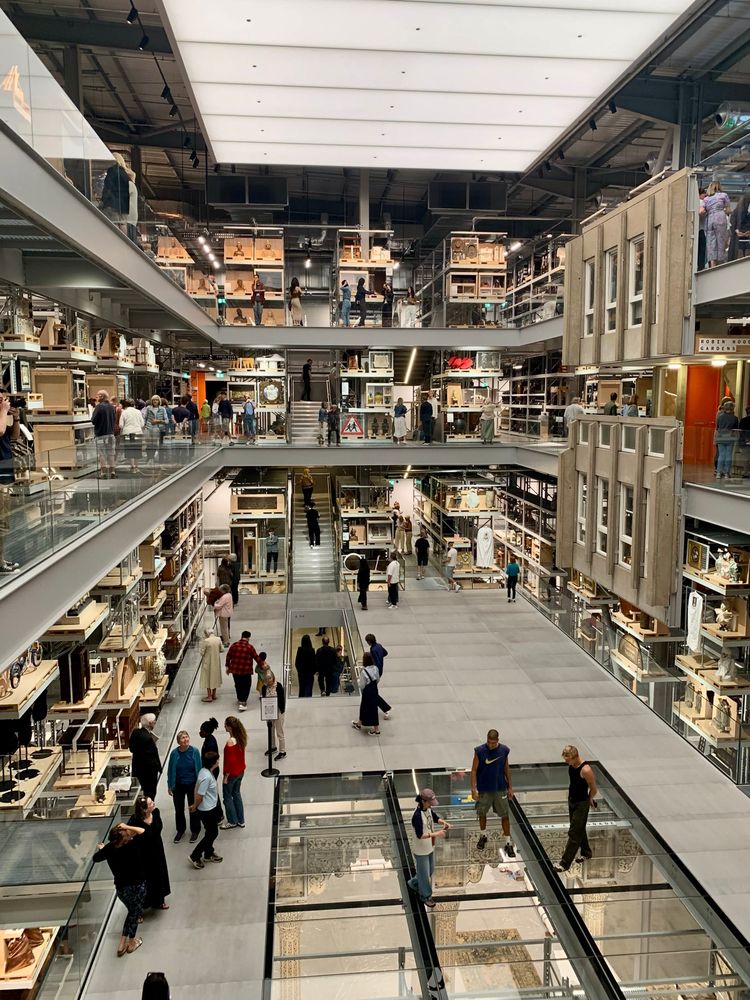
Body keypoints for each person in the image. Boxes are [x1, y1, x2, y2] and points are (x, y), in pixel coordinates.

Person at [92, 823, 147, 956]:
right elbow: (143, 831)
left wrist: (103, 849)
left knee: (131, 912)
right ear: (123, 839)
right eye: (126, 834)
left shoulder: (110, 848)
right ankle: (131, 943)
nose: (129, 834)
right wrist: (128, 826)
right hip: (137, 886)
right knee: (134, 914)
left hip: (122, 889)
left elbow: (96, 858)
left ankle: (122, 942)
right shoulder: (132, 845)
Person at [471, 729, 516, 858]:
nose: (491, 745)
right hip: (484, 789)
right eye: (489, 742)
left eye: (493, 743)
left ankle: (508, 843)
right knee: (482, 813)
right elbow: (474, 770)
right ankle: (483, 835)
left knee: (505, 815)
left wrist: (510, 788)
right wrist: (473, 789)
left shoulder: (504, 750)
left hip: (500, 788)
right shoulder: (479, 751)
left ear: (498, 740)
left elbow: (506, 768)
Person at [555, 745, 597, 872]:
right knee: (579, 827)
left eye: (568, 760)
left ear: (574, 757)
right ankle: (586, 852)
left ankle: (564, 863)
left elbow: (594, 788)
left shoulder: (586, 770)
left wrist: (590, 799)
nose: (566, 762)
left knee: (574, 832)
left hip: (581, 803)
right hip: (572, 800)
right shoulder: (571, 766)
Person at [407, 788, 450, 907]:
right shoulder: (416, 815)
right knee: (425, 875)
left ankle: (413, 883)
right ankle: (426, 896)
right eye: (430, 802)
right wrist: (437, 834)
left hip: (429, 847)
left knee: (429, 870)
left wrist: (444, 823)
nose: (431, 805)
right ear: (423, 801)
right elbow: (420, 835)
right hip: (421, 850)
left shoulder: (428, 810)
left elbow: (435, 818)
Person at [129, 794, 170, 911]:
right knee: (144, 879)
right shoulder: (135, 820)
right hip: (143, 854)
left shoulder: (156, 813)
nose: (154, 804)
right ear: (144, 809)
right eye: (151, 803)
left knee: (159, 874)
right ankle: (142, 906)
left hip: (156, 851)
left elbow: (156, 830)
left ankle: (159, 900)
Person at [188, 751, 223, 869]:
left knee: (210, 832)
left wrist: (194, 805)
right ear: (213, 762)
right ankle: (195, 855)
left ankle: (208, 853)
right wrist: (195, 806)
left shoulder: (204, 772)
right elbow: (199, 795)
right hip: (207, 810)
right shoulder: (206, 777)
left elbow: (196, 788)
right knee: (213, 833)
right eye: (217, 760)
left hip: (209, 807)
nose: (218, 761)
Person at [166, 730, 202, 843]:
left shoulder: (195, 751)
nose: (185, 739)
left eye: (186, 737)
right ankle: (180, 830)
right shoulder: (174, 754)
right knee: (179, 809)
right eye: (182, 738)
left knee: (193, 808)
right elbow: (170, 770)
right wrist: (170, 785)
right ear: (178, 741)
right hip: (178, 785)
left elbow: (199, 769)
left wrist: (200, 785)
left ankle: (195, 830)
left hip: (192, 784)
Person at [0, 394, 19, 573]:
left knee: (4, 522)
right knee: (1, 524)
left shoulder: (3, 417)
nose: (4, 403)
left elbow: (14, 436)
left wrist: (16, 417)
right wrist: (3, 411)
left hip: (6, 473)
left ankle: (1, 559)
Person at [220, 716, 247, 829]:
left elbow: (230, 761)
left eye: (225, 725)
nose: (224, 726)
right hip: (240, 771)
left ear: (230, 728)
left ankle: (232, 820)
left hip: (231, 774)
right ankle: (241, 820)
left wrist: (226, 775)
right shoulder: (240, 738)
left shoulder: (230, 742)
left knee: (227, 797)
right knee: (236, 794)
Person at [225, 630, 263, 711]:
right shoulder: (250, 647)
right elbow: (257, 658)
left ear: (241, 636)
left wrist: (227, 667)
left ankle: (240, 698)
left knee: (238, 685)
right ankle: (243, 701)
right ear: (249, 638)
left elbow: (228, 656)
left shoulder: (234, 645)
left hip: (235, 670)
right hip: (246, 671)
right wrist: (263, 665)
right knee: (246, 685)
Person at [128, 713, 161, 800]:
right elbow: (152, 756)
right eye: (154, 721)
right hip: (148, 773)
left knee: (144, 792)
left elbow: (131, 748)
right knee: (150, 793)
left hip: (138, 770)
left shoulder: (135, 733)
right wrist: (157, 767)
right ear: (150, 723)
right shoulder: (148, 738)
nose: (155, 723)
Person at [704, 180, 732, 267]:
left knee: (710, 242)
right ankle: (720, 263)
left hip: (709, 219)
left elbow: (703, 210)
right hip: (720, 218)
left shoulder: (706, 199)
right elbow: (728, 210)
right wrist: (725, 211)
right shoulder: (724, 195)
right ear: (719, 187)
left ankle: (712, 263)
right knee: (721, 240)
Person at [352, 652, 381, 735]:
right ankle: (374, 728)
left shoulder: (364, 671)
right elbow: (378, 679)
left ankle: (360, 724)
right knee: (373, 708)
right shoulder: (376, 668)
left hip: (367, 692)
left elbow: (362, 685)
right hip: (374, 690)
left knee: (364, 708)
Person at [365, 633, 392, 719]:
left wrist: (374, 673)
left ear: (369, 641)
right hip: (379, 672)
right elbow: (385, 653)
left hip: (376, 673)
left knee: (371, 692)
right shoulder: (379, 646)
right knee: (371, 692)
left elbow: (377, 663)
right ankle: (385, 708)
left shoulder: (373, 650)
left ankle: (386, 708)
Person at [261, 670, 287, 761]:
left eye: (270, 678)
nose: (269, 681)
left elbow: (282, 701)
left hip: (279, 712)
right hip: (269, 712)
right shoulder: (264, 688)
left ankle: (282, 752)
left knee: (280, 732)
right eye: (267, 679)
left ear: (273, 677)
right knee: (270, 731)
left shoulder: (278, 686)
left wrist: (281, 712)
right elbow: (263, 699)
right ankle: (273, 747)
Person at [91, 389, 117, 478]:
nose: (96, 397)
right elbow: (114, 420)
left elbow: (93, 421)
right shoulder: (112, 407)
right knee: (111, 454)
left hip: (100, 435)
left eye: (97, 395)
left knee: (102, 454)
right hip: (110, 434)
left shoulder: (99, 407)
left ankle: (103, 473)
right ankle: (113, 472)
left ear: (101, 397)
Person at [715, 400, 739, 479]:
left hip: (720, 437)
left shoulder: (720, 417)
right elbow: (736, 429)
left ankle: (718, 472)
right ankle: (726, 473)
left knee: (721, 455)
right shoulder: (735, 418)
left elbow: (717, 427)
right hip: (730, 437)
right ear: (732, 408)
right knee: (728, 455)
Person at [119, 399, 144, 472]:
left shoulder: (124, 412)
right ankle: (137, 466)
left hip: (127, 433)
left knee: (129, 450)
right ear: (134, 404)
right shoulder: (138, 412)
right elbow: (142, 424)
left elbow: (121, 425)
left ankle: (132, 466)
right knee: (137, 449)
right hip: (138, 432)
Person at [198, 627, 223, 702]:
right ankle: (214, 694)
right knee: (215, 677)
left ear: (207, 634)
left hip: (208, 662)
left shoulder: (206, 641)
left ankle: (209, 696)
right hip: (216, 661)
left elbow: (202, 652)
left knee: (208, 678)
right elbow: (221, 649)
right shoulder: (218, 639)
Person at [143, 395, 168, 463]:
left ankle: (152, 458)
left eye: (156, 400)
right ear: (152, 401)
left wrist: (158, 421)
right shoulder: (148, 408)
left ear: (159, 401)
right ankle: (149, 458)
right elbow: (145, 418)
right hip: (148, 427)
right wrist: (144, 425)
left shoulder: (162, 409)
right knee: (148, 444)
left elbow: (166, 421)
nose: (155, 401)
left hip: (157, 428)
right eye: (154, 400)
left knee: (154, 444)